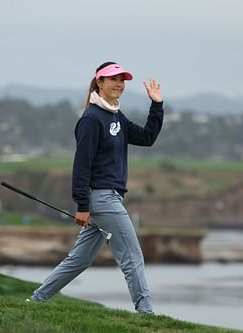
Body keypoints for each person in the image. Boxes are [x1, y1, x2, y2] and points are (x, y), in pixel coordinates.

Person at [28, 62, 164, 314]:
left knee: (79, 259)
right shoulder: (91, 119)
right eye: (113, 79)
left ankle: (36, 300)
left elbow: (147, 138)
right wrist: (82, 205)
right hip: (102, 199)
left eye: (122, 80)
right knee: (132, 256)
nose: (119, 84)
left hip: (108, 199)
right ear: (99, 83)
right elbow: (82, 165)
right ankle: (146, 313)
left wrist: (156, 105)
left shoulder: (116, 116)